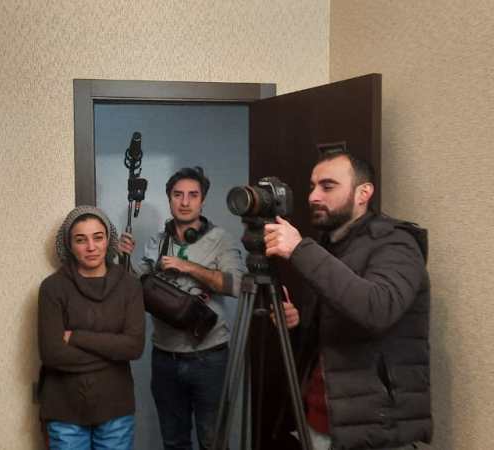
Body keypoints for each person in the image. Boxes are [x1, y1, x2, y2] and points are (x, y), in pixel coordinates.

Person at [263, 151, 431, 450]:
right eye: (312, 186)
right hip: (320, 420)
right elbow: (331, 332)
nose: (313, 196)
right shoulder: (329, 247)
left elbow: (377, 310)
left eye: (327, 186)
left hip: (374, 429)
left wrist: (300, 250)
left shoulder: (396, 243)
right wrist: (297, 324)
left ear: (363, 193)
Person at [119, 167, 245, 450]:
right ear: (169, 199)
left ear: (203, 200)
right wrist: (124, 258)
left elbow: (237, 285)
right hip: (165, 357)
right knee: (174, 441)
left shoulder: (221, 239)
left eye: (193, 195)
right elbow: (137, 289)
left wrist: (188, 267)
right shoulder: (157, 240)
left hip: (209, 358)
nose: (185, 202)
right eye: (178, 195)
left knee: (213, 440)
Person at [38, 205, 145, 450]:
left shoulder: (129, 286)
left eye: (98, 237)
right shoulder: (52, 288)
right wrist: (113, 351)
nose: (91, 247)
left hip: (116, 408)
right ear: (69, 245)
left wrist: (76, 337)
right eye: (81, 240)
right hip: (64, 410)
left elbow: (134, 347)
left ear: (108, 240)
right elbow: (52, 353)